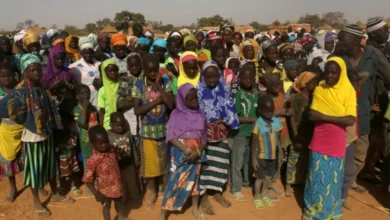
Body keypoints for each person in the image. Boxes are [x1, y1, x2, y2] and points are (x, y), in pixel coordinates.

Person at [0, 54, 75, 218]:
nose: (37, 72)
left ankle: (55, 193)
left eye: (39, 69)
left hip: (47, 134)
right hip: (32, 137)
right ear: (24, 72)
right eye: (32, 70)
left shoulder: (41, 88)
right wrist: (25, 118)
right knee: (35, 170)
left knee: (50, 167)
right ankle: (36, 201)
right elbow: (5, 108)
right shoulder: (20, 91)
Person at [303, 57, 356, 220]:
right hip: (320, 139)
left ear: (342, 73)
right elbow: (313, 115)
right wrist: (335, 115)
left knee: (333, 179)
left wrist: (324, 116)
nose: (330, 76)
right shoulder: (320, 90)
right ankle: (311, 210)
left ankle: (330, 211)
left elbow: (350, 120)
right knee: (315, 177)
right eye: (327, 72)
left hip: (337, 141)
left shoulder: (349, 91)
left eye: (334, 73)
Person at [333, 24, 385, 193]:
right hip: (341, 116)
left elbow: (386, 76)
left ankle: (349, 181)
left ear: (355, 41)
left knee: (360, 157)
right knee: (341, 155)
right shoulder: (336, 58)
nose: (339, 42)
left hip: (362, 114)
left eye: (342, 39)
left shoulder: (372, 57)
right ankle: (340, 190)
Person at [197, 61, 239, 215]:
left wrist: (230, 122)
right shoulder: (198, 91)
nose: (212, 79)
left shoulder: (225, 89)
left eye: (215, 76)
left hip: (221, 132)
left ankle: (217, 192)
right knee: (204, 165)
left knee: (220, 163)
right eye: (208, 76)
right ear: (203, 76)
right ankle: (203, 197)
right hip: (203, 134)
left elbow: (230, 109)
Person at [132, 53, 174, 210]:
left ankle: (165, 189)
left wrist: (160, 87)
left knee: (164, 162)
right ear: (143, 69)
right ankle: (152, 191)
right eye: (149, 70)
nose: (152, 73)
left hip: (164, 131)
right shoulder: (138, 85)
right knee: (150, 165)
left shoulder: (165, 81)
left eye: (155, 69)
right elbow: (137, 110)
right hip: (148, 132)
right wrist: (157, 100)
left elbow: (170, 104)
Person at [160, 83, 207, 220]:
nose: (194, 101)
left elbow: (204, 137)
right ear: (181, 99)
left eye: (195, 98)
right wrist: (186, 150)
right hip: (181, 153)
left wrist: (198, 151)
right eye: (190, 99)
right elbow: (171, 136)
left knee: (195, 182)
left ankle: (195, 209)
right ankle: (163, 213)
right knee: (174, 182)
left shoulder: (201, 114)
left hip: (197, 153)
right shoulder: (175, 115)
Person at [360, 19, 390, 182]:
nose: (387, 33)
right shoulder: (374, 52)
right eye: (384, 31)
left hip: (374, 99)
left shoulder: (372, 50)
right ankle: (367, 169)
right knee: (375, 136)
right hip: (374, 101)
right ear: (373, 34)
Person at [82, 125, 128, 220]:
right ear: (92, 143)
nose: (104, 145)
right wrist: (96, 193)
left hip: (116, 186)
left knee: (119, 203)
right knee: (106, 207)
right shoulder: (93, 160)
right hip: (104, 190)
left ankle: (121, 217)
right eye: (101, 143)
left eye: (106, 141)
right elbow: (87, 179)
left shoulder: (112, 150)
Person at [286, 70, 318, 197]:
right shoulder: (297, 98)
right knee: (293, 158)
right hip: (298, 132)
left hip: (309, 132)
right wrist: (295, 135)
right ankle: (288, 184)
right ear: (305, 84)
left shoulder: (315, 97)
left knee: (305, 158)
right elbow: (292, 117)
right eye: (313, 82)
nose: (315, 85)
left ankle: (300, 182)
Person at [230, 64, 258, 201]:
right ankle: (235, 188)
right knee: (238, 161)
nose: (248, 80)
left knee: (248, 159)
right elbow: (235, 117)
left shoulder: (257, 93)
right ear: (239, 79)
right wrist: (254, 119)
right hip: (240, 133)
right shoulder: (238, 95)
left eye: (251, 77)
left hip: (254, 133)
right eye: (245, 78)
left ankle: (247, 182)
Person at [342, 69, 368, 209]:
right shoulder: (343, 95)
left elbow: (366, 74)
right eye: (353, 83)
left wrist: (356, 80)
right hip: (342, 140)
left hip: (350, 139)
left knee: (348, 172)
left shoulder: (353, 93)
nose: (357, 85)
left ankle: (343, 197)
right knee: (341, 171)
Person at [252, 95, 283, 209]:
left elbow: (278, 139)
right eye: (266, 111)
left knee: (268, 177)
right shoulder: (258, 123)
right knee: (259, 178)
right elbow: (254, 143)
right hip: (261, 156)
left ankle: (264, 194)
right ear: (260, 110)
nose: (270, 113)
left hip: (273, 156)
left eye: (271, 111)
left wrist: (280, 152)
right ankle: (257, 196)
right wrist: (253, 159)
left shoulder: (276, 122)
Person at [263, 73, 291, 196]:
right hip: (271, 133)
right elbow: (265, 116)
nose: (277, 86)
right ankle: (267, 184)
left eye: (278, 83)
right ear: (267, 86)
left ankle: (272, 181)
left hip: (283, 132)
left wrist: (282, 112)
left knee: (280, 158)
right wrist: (279, 112)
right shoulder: (265, 98)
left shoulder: (281, 96)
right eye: (273, 84)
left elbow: (287, 110)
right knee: (270, 159)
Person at [0, 63, 24, 203]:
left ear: (15, 76)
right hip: (6, 130)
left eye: (9, 75)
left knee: (29, 158)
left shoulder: (21, 89)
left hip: (24, 128)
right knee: (9, 160)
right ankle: (13, 187)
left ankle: (35, 184)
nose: (6, 79)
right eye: (3, 76)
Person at [108, 112, 140, 202]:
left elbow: (133, 147)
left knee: (132, 182)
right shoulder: (108, 136)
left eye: (122, 125)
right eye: (117, 125)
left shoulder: (128, 134)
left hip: (129, 164)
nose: (120, 128)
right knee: (121, 184)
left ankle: (135, 197)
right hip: (117, 166)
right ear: (111, 124)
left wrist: (136, 161)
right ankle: (124, 200)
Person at [55, 86, 81, 196]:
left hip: (70, 151)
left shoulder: (70, 126)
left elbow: (74, 136)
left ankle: (73, 185)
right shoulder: (55, 128)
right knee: (60, 171)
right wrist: (57, 146)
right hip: (60, 154)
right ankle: (61, 185)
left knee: (73, 170)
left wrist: (72, 142)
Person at [70, 39, 102, 108]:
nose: (88, 55)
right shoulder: (74, 66)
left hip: (100, 97)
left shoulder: (99, 64)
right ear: (81, 53)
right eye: (85, 53)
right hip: (85, 99)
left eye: (90, 53)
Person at [73, 84, 99, 168]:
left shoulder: (93, 108)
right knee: (88, 168)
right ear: (77, 97)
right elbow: (83, 122)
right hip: (86, 144)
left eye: (88, 93)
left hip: (96, 143)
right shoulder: (77, 109)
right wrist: (85, 107)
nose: (86, 95)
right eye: (83, 94)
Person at [98, 60, 121, 129]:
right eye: (110, 71)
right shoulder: (102, 90)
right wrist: (101, 127)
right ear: (104, 73)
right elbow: (102, 111)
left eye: (115, 70)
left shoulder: (122, 85)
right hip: (108, 125)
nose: (113, 72)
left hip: (122, 123)